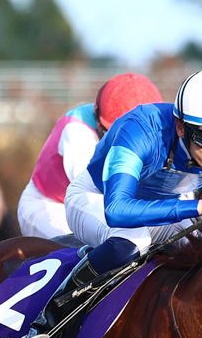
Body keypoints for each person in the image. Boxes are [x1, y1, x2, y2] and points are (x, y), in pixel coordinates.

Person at [19, 67, 202, 338]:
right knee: (134, 240)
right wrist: (200, 207)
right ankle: (46, 326)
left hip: (160, 206)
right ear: (181, 128)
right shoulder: (141, 129)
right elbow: (118, 211)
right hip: (95, 200)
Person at [16, 73, 163, 239]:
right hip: (50, 206)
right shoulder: (76, 128)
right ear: (97, 118)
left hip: (101, 205)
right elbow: (93, 192)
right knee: (110, 239)